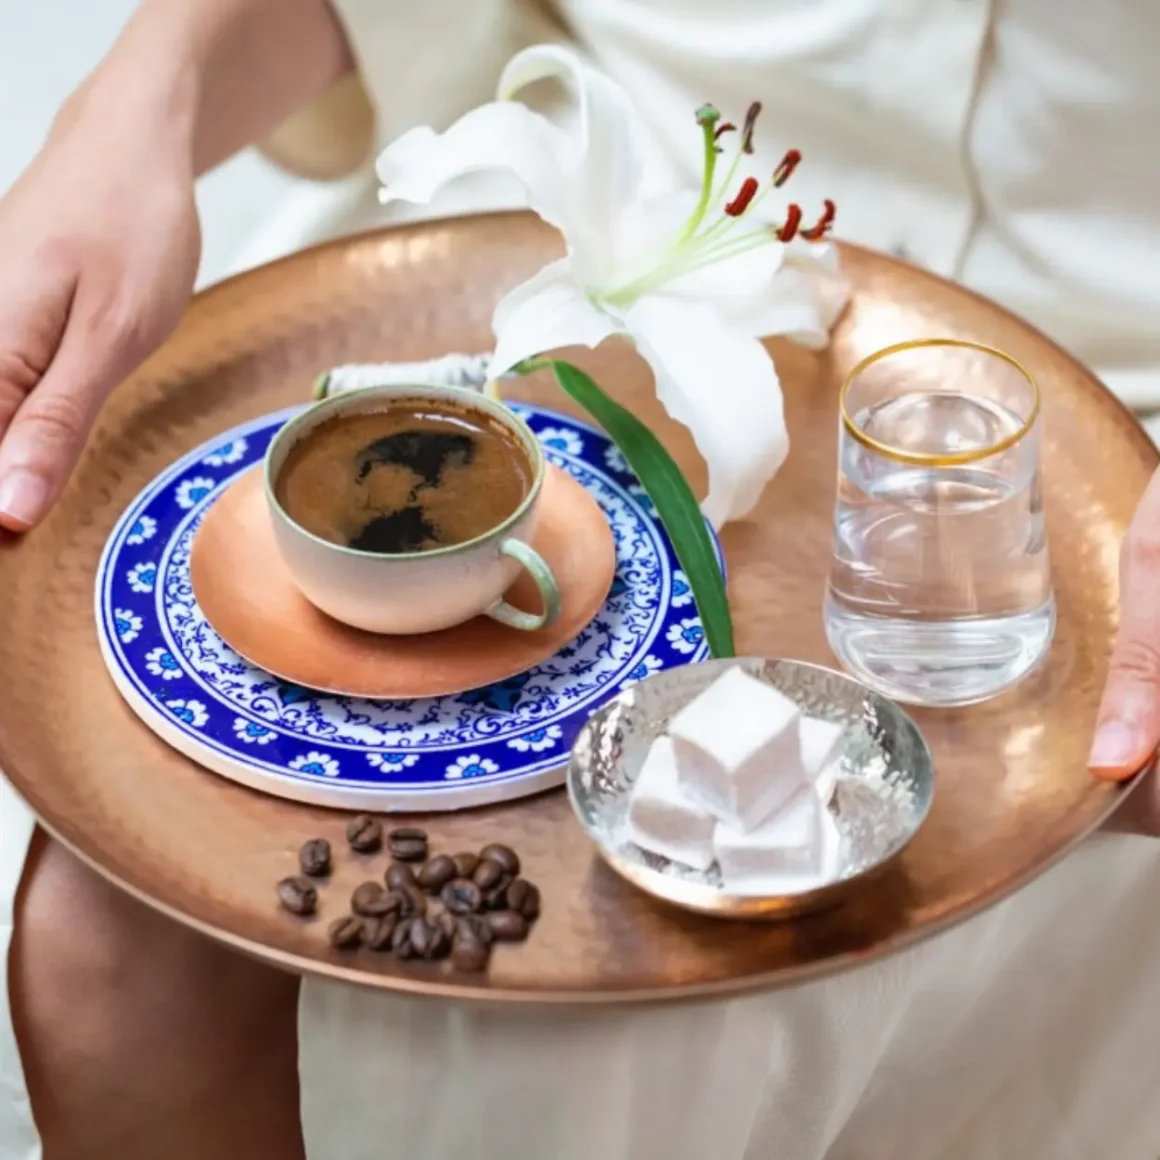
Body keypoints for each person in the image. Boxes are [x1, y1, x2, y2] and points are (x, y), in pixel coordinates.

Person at [2, 1, 1159, 1156]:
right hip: (596, 238)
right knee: (93, 953)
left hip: (1095, 383)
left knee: (579, 1059)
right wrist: (130, 104)